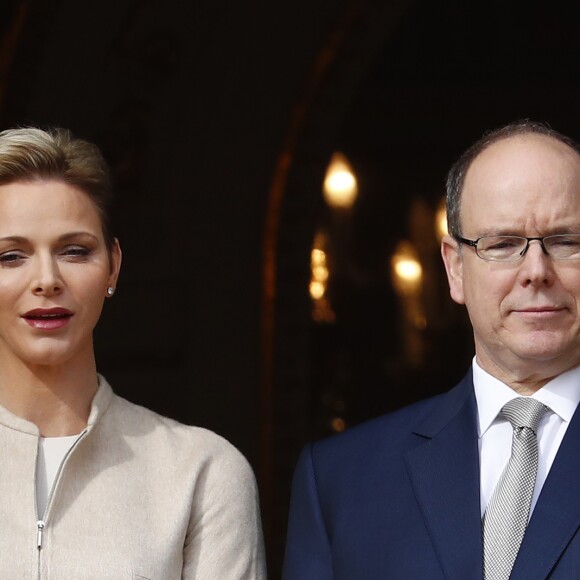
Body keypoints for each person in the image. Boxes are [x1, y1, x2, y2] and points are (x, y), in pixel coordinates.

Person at [282, 119, 580, 579]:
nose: (536, 271)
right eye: (503, 244)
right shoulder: (341, 480)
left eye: (565, 242)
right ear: (455, 268)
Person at [0, 126, 267, 578]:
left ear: (114, 266)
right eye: (10, 256)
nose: (47, 280)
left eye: (74, 250)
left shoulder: (202, 472)